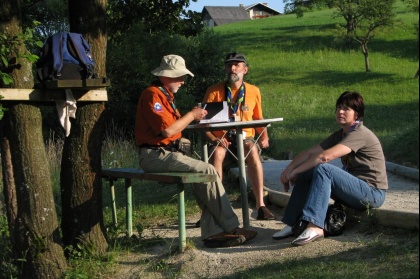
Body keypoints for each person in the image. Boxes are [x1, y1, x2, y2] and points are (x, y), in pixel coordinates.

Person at [135, 54, 257, 248]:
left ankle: (215, 233)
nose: (183, 81)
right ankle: (231, 227)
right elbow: (167, 130)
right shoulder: (153, 94)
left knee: (204, 179)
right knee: (207, 171)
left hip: (165, 153)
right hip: (154, 156)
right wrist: (192, 115)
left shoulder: (164, 95)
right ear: (166, 76)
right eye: (180, 76)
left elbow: (168, 130)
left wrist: (179, 138)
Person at [272, 91, 388, 246]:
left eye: (346, 109)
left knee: (323, 168)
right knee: (310, 170)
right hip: (355, 190)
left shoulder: (360, 133)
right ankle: (292, 223)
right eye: (339, 107)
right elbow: (311, 152)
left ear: (357, 114)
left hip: (372, 193)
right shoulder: (341, 134)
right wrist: (288, 170)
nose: (340, 111)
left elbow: (324, 157)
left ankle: (315, 226)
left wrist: (295, 172)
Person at [202, 52, 275, 220]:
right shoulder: (213, 91)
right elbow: (204, 123)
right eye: (229, 65)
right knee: (218, 153)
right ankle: (217, 206)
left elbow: (258, 118)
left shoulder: (254, 91)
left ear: (245, 69)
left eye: (237, 65)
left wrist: (264, 136)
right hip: (222, 139)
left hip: (245, 138)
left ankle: (260, 205)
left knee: (252, 149)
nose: (232, 68)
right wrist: (214, 138)